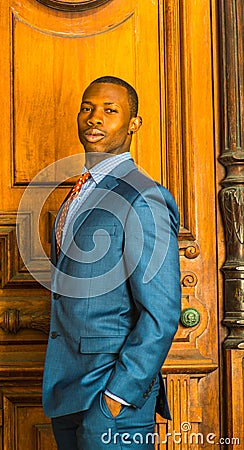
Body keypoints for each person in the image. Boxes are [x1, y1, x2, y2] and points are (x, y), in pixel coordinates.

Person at [42, 76, 181, 449]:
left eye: (110, 110)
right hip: (66, 390)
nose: (94, 118)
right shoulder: (79, 191)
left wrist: (115, 399)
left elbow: (162, 313)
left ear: (133, 124)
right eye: (87, 108)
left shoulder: (144, 196)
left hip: (111, 396)